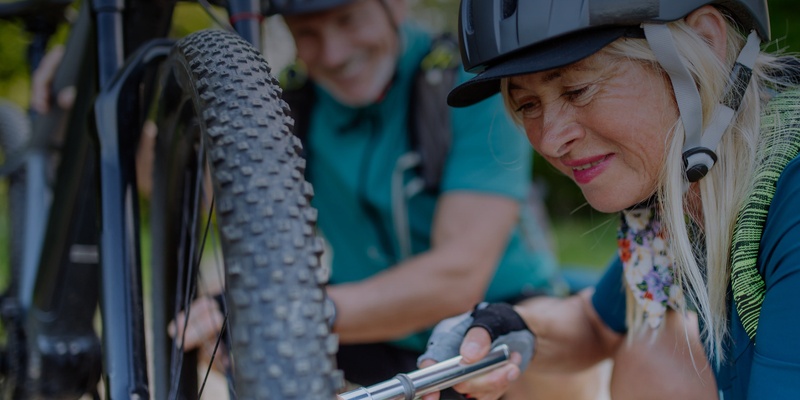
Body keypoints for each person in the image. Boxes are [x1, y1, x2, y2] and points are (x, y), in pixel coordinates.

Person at [29, 1, 601, 398]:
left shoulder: (471, 87)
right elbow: (210, 196)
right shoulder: (294, 106)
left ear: (395, 4)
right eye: (309, 32)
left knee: (530, 357)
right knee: (223, 344)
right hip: (369, 333)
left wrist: (286, 314)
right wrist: (83, 109)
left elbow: (456, 277)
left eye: (348, 18)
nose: (333, 51)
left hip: (492, 320)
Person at [417, 0, 800, 399]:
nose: (550, 140)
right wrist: (503, 326)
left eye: (577, 90)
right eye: (527, 105)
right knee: (655, 351)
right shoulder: (685, 195)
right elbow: (596, 323)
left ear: (705, 41)